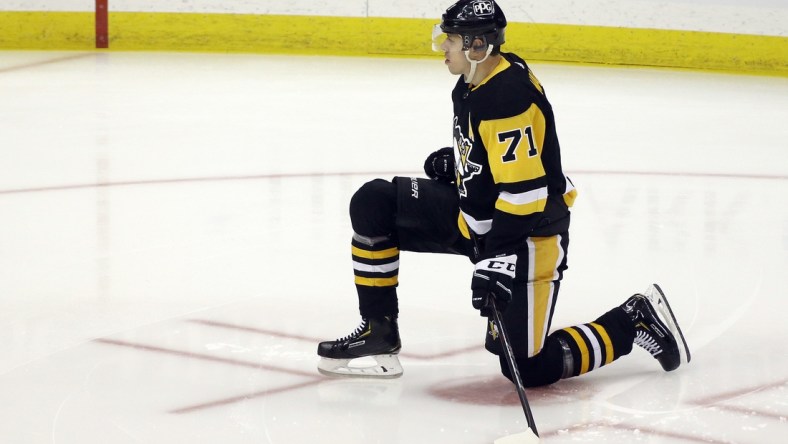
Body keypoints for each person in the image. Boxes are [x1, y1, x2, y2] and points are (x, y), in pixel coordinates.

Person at [316, 0, 691, 386]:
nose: (444, 47)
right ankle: (379, 333)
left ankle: (632, 319)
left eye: (452, 40)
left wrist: (498, 259)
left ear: (477, 46)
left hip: (528, 236)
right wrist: (465, 163)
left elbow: (526, 194)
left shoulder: (505, 99)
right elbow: (505, 156)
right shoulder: (478, 78)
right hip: (477, 220)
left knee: (525, 368)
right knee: (373, 202)